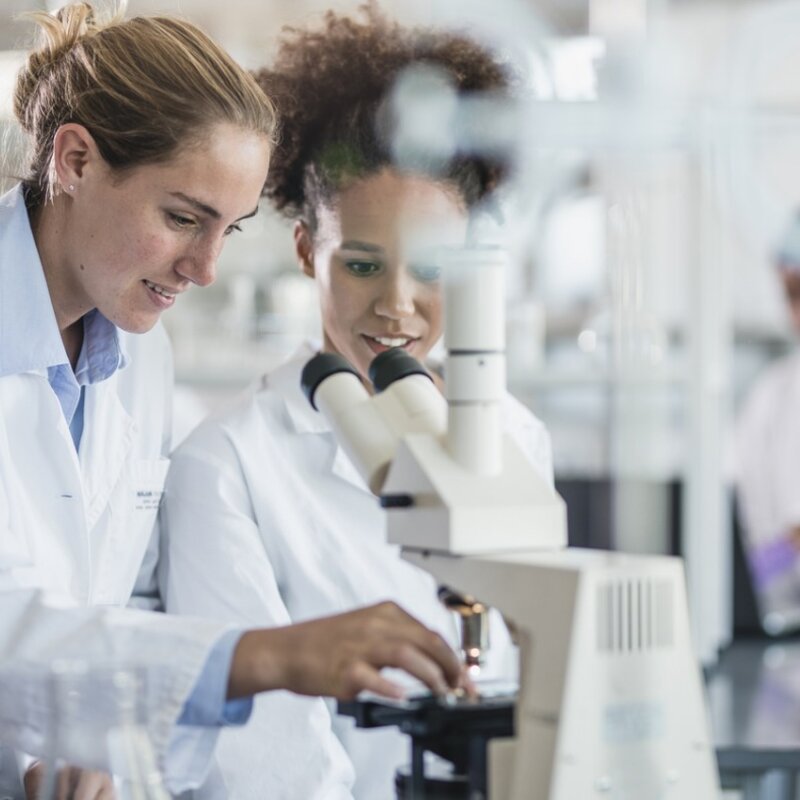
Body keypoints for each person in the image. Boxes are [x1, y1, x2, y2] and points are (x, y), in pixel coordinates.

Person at [0, 4, 466, 797]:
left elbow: (121, 593)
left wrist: (99, 749)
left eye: (230, 229)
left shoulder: (138, 351)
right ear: (74, 160)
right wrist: (267, 656)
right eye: (182, 218)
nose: (205, 269)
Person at [161, 6, 555, 799]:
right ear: (308, 250)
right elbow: (268, 765)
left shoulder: (515, 435)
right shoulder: (227, 465)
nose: (398, 306)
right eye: (364, 266)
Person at [734, 219, 800, 628]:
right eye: (792, 294)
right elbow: (749, 560)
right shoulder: (771, 394)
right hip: (782, 625)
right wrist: (782, 552)